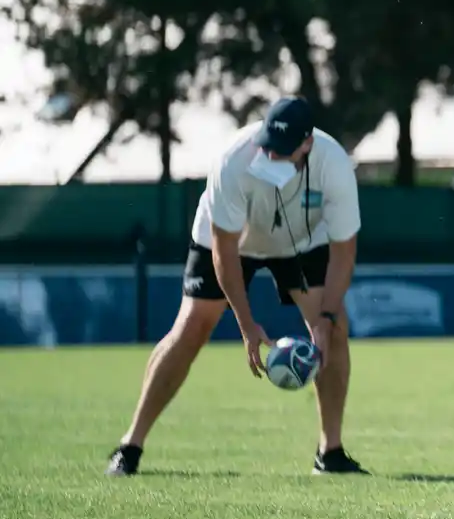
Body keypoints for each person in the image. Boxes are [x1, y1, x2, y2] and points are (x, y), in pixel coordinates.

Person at [104, 96, 368, 477]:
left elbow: (344, 252)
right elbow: (224, 249)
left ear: (307, 143)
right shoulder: (233, 160)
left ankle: (330, 453)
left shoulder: (334, 165)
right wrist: (246, 323)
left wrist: (325, 318)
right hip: (232, 242)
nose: (271, 156)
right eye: (269, 145)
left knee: (335, 327)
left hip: (301, 241)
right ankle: (130, 446)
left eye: (283, 149)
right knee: (192, 326)